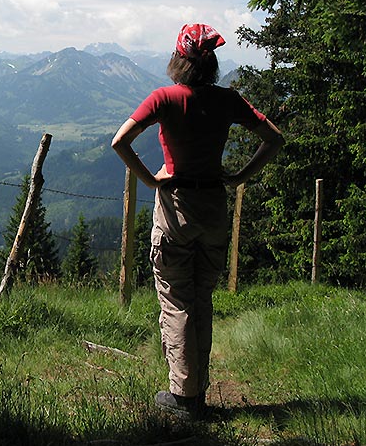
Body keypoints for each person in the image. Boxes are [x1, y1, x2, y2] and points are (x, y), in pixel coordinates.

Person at [111, 23, 284, 418]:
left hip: (176, 206)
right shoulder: (228, 100)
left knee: (176, 300)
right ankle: (197, 389)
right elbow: (274, 138)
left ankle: (184, 396)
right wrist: (240, 176)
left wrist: (150, 178)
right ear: (212, 63)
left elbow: (120, 141)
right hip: (213, 207)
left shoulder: (164, 98)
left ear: (178, 59)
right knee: (201, 298)